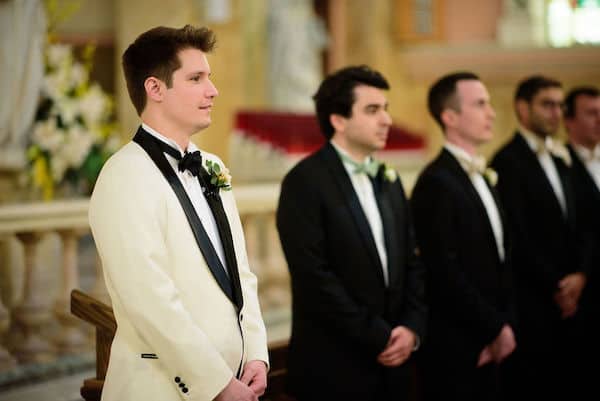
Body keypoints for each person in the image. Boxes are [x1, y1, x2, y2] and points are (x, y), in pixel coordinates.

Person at [88, 25, 268, 401]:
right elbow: (149, 300)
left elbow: (241, 273)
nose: (212, 90)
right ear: (155, 88)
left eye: (210, 77)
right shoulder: (124, 176)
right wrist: (215, 384)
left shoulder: (212, 165)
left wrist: (256, 354)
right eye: (196, 78)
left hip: (237, 380)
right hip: (161, 389)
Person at [276, 65, 427, 401]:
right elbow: (314, 276)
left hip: (395, 369)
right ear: (338, 120)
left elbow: (412, 263)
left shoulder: (389, 180)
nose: (386, 120)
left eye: (385, 109)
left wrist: (411, 328)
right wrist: (379, 335)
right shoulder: (305, 182)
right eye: (372, 110)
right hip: (335, 369)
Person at [410, 72, 516, 401]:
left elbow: (502, 258)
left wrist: (504, 324)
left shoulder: (482, 175)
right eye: (480, 104)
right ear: (450, 117)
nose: (492, 112)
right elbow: (442, 269)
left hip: (495, 335)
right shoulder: (435, 182)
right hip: (459, 343)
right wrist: (491, 328)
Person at [491, 75, 591, 400]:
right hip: (535, 301)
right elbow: (516, 237)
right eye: (547, 105)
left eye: (560, 106)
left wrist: (581, 274)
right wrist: (558, 285)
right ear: (523, 108)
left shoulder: (566, 158)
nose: (556, 113)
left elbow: (587, 222)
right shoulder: (506, 162)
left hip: (577, 296)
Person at [564, 86, 600, 398]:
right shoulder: (563, 168)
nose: (599, 120)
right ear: (570, 122)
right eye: (591, 113)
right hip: (584, 291)